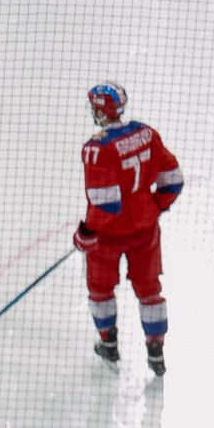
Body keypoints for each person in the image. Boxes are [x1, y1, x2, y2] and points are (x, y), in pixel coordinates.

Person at [77, 78, 182, 375]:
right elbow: (173, 178)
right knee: (149, 289)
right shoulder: (146, 133)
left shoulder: (97, 149)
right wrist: (153, 206)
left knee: (100, 289)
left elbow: (106, 203)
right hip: (146, 230)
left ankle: (109, 344)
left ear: (100, 111)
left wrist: (87, 234)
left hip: (108, 237)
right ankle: (156, 349)